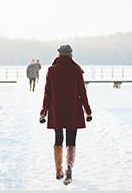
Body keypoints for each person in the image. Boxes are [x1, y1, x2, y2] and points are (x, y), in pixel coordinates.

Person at [39, 44, 92, 186]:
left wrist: (43, 112)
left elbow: (47, 93)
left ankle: (58, 170)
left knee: (58, 139)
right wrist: (88, 111)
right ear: (70, 55)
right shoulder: (76, 70)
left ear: (58, 55)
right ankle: (69, 166)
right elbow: (82, 92)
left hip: (56, 110)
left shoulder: (51, 70)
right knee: (71, 140)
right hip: (73, 109)